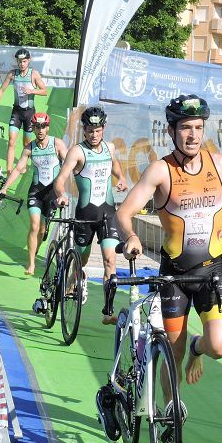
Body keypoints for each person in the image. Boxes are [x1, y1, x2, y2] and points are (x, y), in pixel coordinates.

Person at [107, 94, 222, 434]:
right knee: (170, 354)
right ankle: (169, 409)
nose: (193, 135)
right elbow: (123, 213)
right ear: (172, 130)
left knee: (218, 346)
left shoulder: (218, 164)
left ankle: (196, 346)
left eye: (198, 128)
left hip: (211, 271)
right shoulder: (161, 170)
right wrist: (131, 236)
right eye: (185, 128)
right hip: (174, 276)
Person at [53, 105, 128, 323]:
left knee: (110, 260)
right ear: (83, 130)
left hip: (107, 214)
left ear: (103, 129)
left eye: (98, 130)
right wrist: (61, 195)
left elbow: (114, 165)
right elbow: (60, 180)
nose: (94, 135)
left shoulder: (110, 148)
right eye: (89, 130)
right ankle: (70, 284)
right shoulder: (76, 151)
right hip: (85, 215)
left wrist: (121, 178)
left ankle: (108, 312)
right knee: (81, 260)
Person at [0, 112, 67, 275]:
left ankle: (35, 249)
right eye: (37, 127)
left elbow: (69, 165)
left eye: (43, 127)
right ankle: (31, 263)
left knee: (42, 230)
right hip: (35, 192)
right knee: (34, 226)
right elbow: (19, 169)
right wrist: (5, 187)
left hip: (52, 193)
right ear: (33, 129)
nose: (41, 130)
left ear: (47, 127)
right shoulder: (29, 148)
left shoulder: (57, 144)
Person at [0, 48, 47, 176]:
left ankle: (23, 166)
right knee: (11, 141)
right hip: (16, 111)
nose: (22, 64)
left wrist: (32, 91)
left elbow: (44, 91)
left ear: (29, 61)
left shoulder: (34, 74)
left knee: (26, 143)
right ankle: (10, 171)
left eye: (24, 61)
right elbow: (1, 90)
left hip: (29, 113)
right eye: (19, 61)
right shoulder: (12, 74)